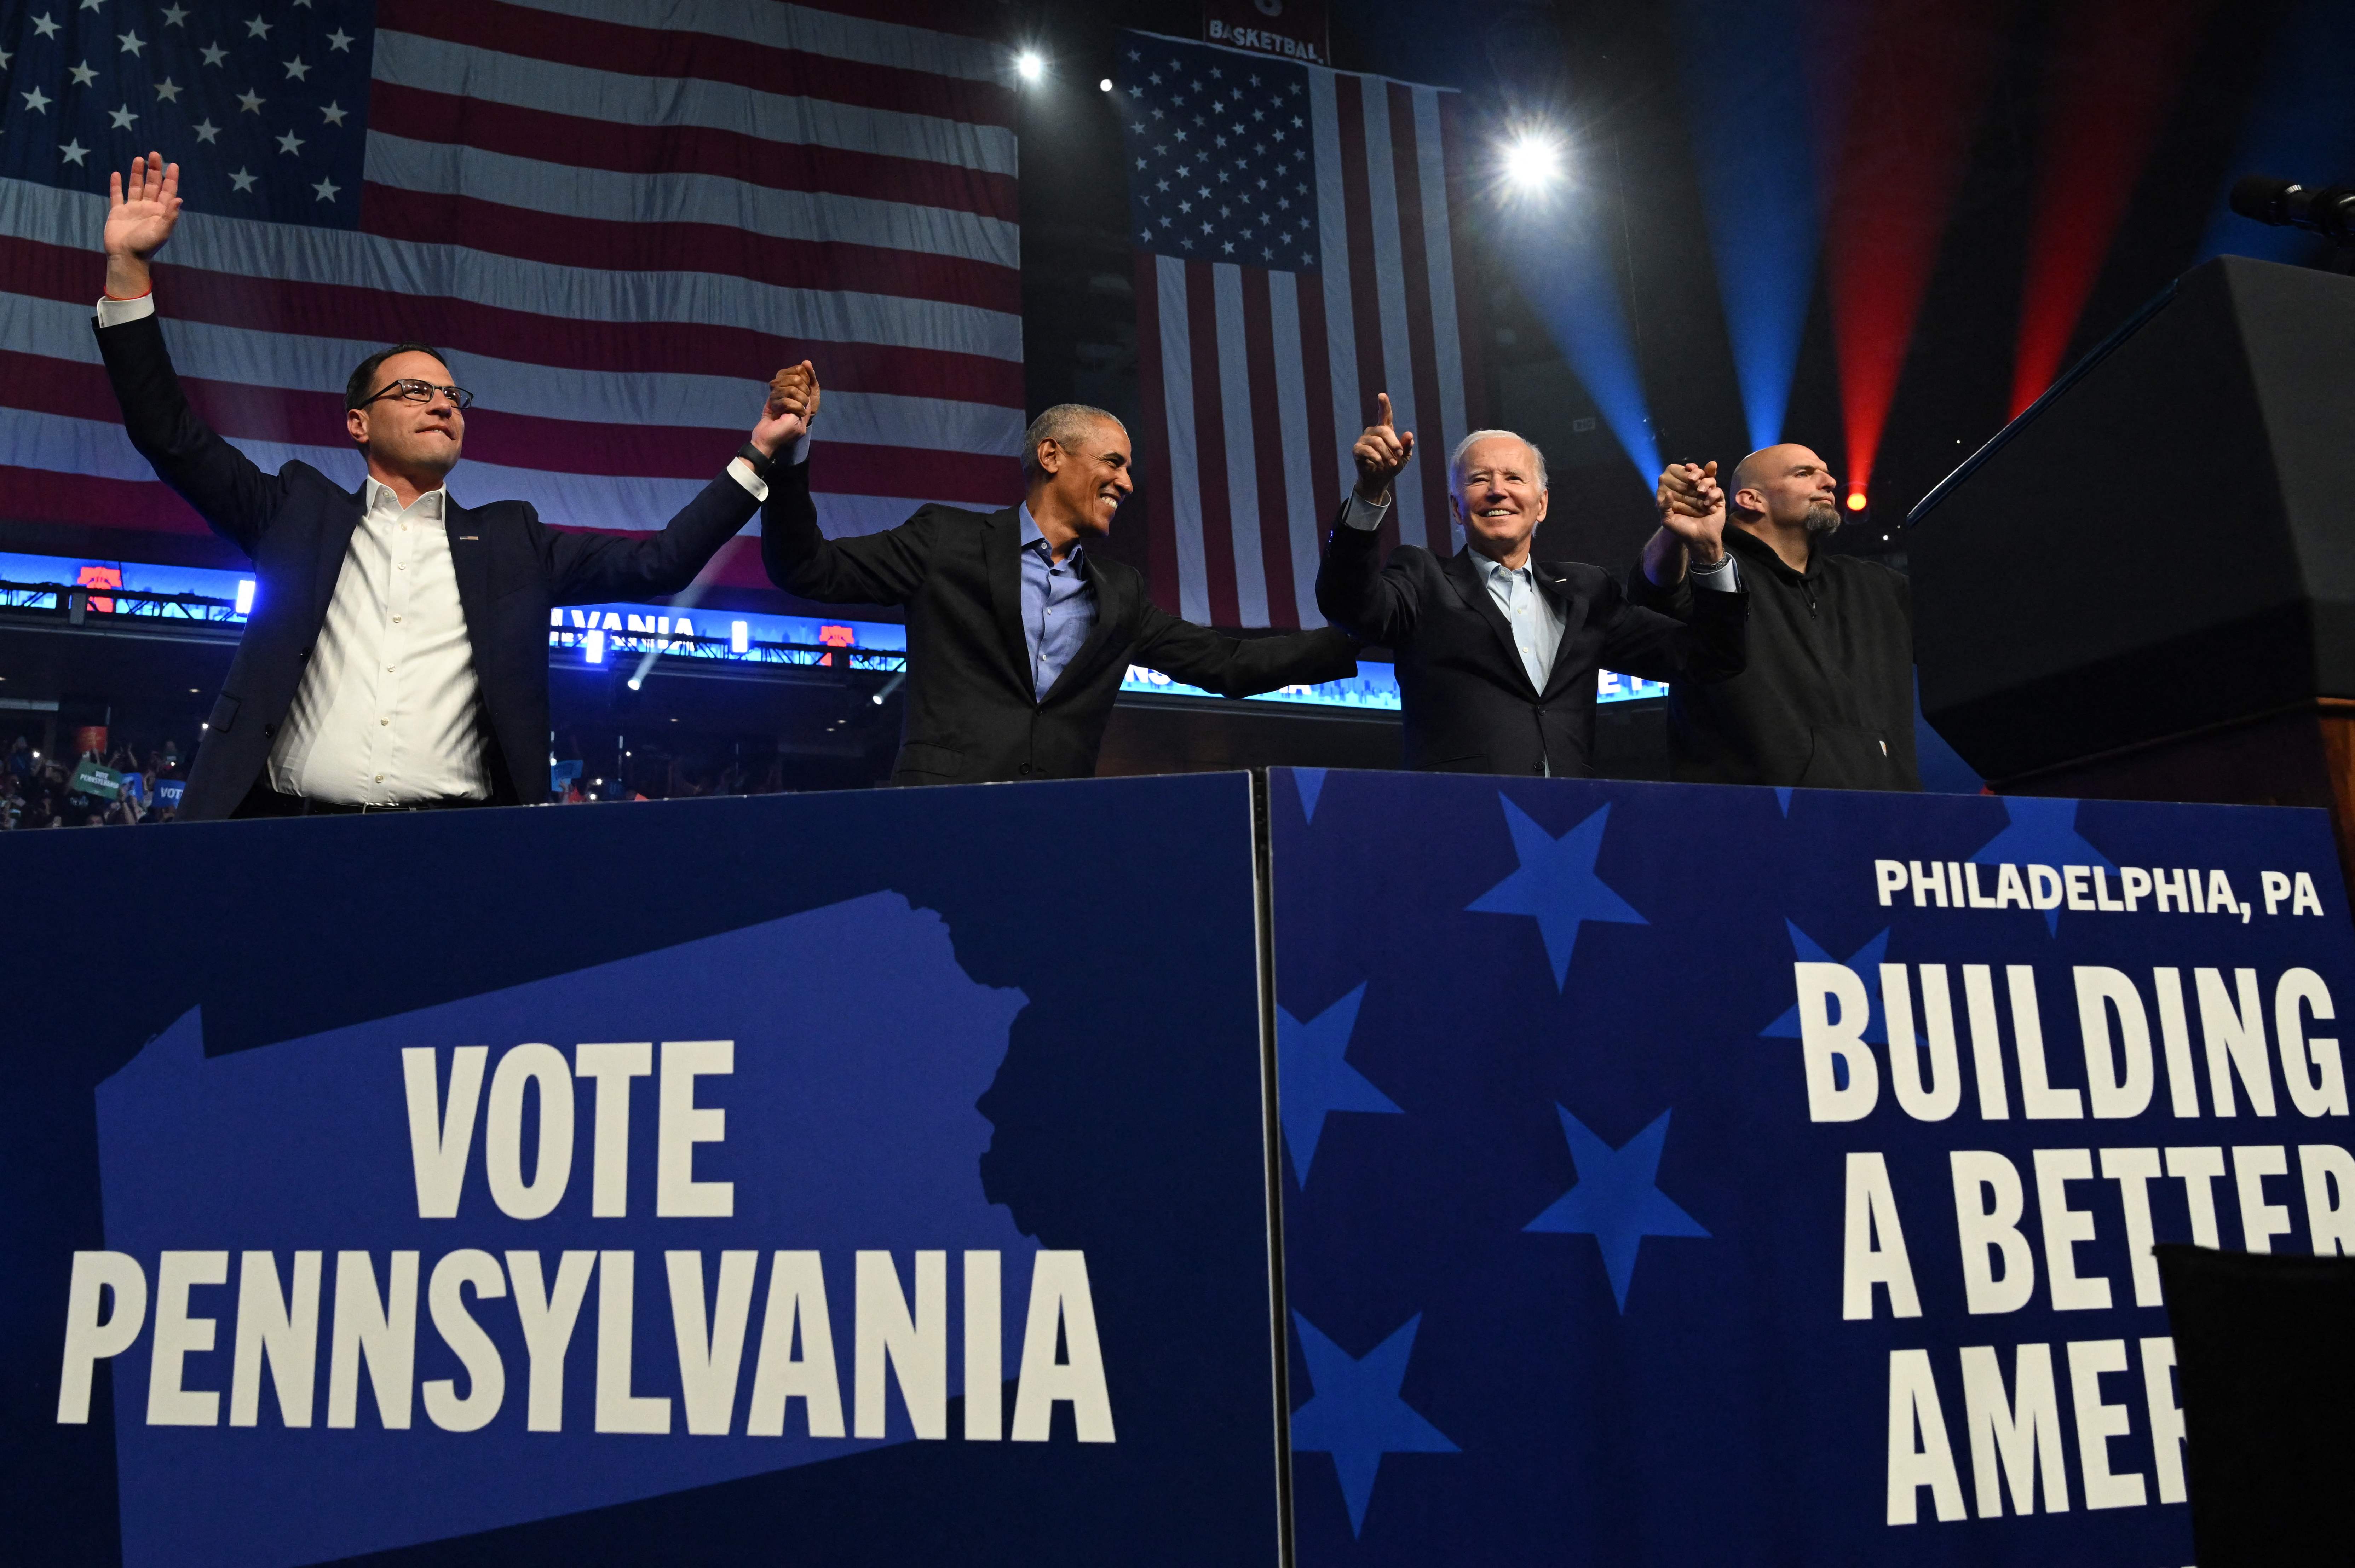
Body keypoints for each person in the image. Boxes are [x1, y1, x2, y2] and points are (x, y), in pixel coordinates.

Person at [92, 153, 812, 820]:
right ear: (357, 424)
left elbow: (661, 561)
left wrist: (760, 453)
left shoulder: (511, 542)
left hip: (452, 852)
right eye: (413, 390)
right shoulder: (295, 512)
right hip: (283, 837)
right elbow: (170, 436)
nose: (443, 404)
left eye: (452, 396)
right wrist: (127, 270)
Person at [760, 399, 1358, 784]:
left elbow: (1228, 664)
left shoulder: (1119, 593)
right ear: (1051, 455)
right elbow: (808, 569)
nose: (1126, 482)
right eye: (1114, 462)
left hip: (1056, 834)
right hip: (939, 822)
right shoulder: (945, 540)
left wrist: (1353, 636)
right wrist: (790, 457)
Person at [1315, 396, 1747, 776]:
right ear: (1456, 509)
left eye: (1514, 479)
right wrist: (1369, 493)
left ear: (1541, 505)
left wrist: (1708, 551)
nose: (1496, 492)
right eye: (1478, 480)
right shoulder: (1421, 577)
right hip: (1456, 824)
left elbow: (1709, 659)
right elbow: (1346, 603)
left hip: (1571, 827)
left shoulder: (1586, 591)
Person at [1636, 445, 1917, 790]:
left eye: (1825, 472)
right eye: (1804, 473)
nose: (1828, 481)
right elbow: (1657, 591)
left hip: (1890, 817)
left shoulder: (1875, 586)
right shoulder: (1710, 569)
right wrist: (1675, 534)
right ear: (1751, 499)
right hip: (1755, 821)